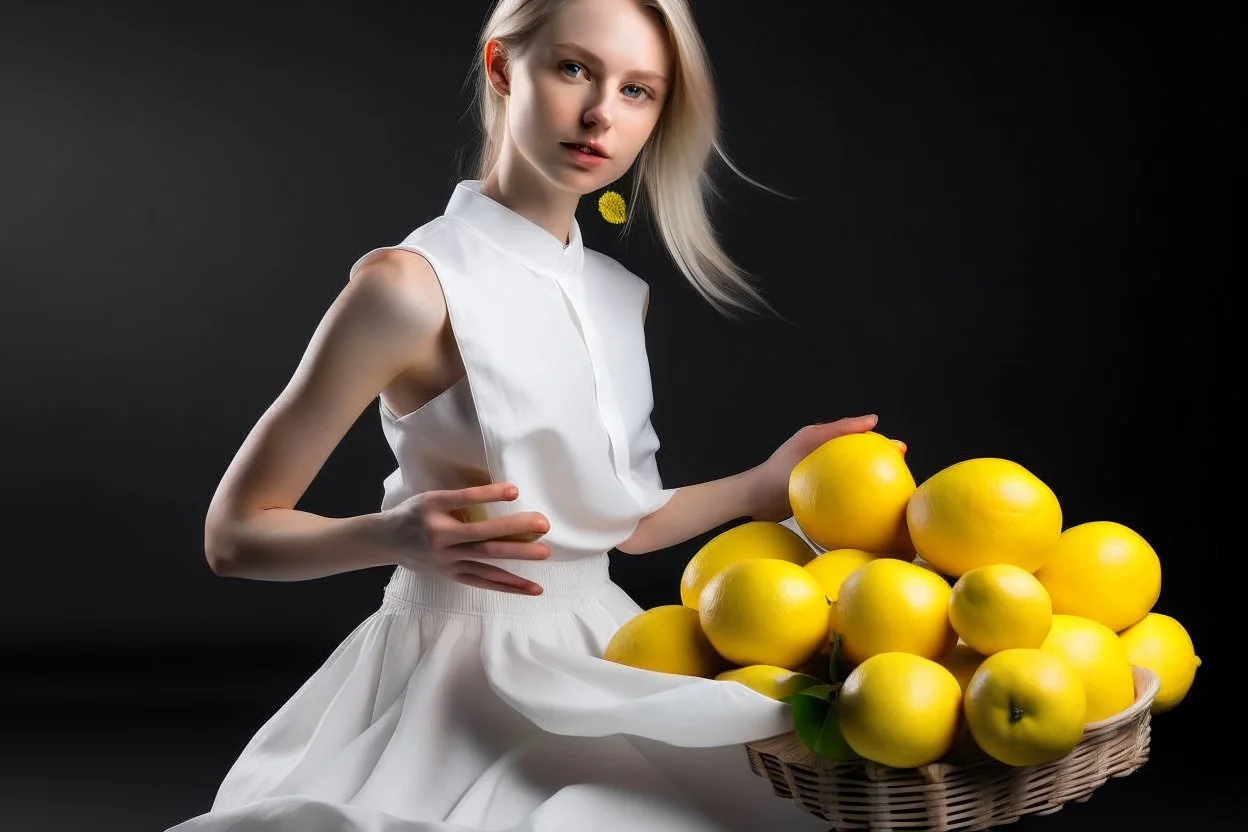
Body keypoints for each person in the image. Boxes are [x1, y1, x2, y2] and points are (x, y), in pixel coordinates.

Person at [167, 0, 879, 829]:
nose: (600, 114)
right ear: (504, 69)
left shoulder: (620, 297)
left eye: (639, 91)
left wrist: (764, 484)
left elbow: (626, 527)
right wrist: (392, 535)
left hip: (608, 648)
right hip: (448, 677)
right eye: (574, 68)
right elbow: (234, 535)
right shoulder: (407, 287)